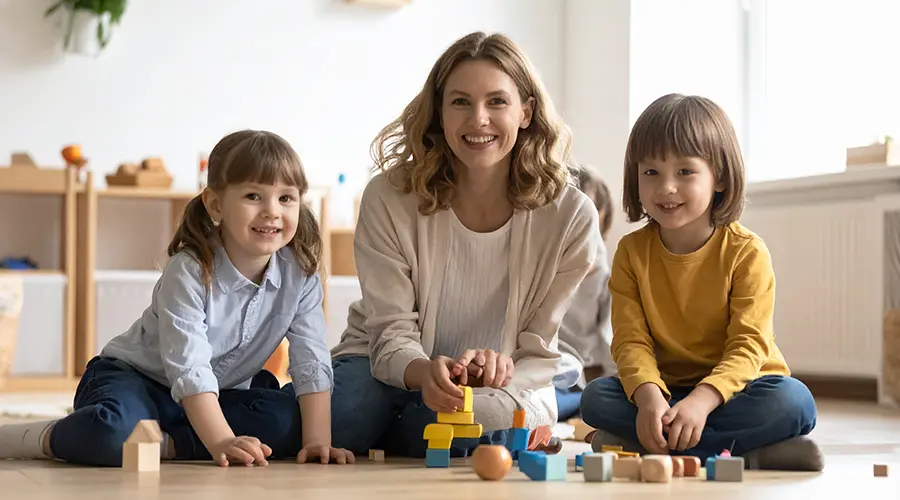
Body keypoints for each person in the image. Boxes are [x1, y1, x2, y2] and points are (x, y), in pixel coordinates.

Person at [0, 130, 354, 467]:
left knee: (287, 420)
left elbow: (311, 358)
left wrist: (316, 442)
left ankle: (161, 444)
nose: (272, 211)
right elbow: (189, 366)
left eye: (286, 198)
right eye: (253, 196)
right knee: (110, 432)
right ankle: (31, 437)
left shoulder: (301, 275)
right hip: (137, 381)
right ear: (215, 205)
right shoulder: (190, 270)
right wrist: (219, 441)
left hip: (216, 395)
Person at [326, 31, 601, 459]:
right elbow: (391, 333)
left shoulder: (571, 216)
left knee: (472, 419)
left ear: (526, 112)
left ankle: (412, 427)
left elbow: (538, 349)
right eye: (460, 102)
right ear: (439, 112)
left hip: (496, 381)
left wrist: (496, 371)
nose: (478, 119)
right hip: (386, 362)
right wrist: (424, 372)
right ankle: (406, 425)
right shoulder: (388, 196)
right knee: (343, 419)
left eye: (497, 101)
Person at [579, 93, 823, 471]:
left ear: (719, 177)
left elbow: (748, 345)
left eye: (685, 172)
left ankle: (651, 446)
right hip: (665, 392)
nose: (666, 187)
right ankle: (749, 453)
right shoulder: (630, 252)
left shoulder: (747, 252)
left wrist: (702, 401)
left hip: (736, 390)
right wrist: (648, 398)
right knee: (595, 398)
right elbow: (630, 340)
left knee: (794, 402)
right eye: (651, 172)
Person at [554, 163, 617, 421]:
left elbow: (611, 342)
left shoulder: (607, 280)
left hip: (582, 379)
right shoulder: (543, 270)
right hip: (545, 372)